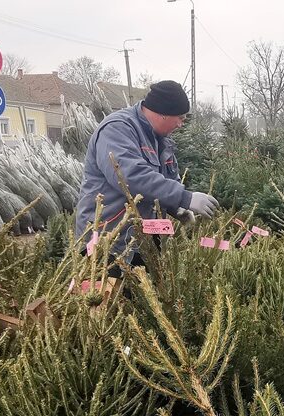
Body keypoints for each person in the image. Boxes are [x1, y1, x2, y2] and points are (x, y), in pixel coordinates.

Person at [74, 80, 219, 272]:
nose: (181, 124)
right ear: (163, 113)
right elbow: (130, 177)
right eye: (180, 118)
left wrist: (177, 207)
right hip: (109, 241)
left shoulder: (160, 140)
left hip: (142, 240)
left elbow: (166, 178)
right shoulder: (117, 129)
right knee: (113, 298)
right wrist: (185, 197)